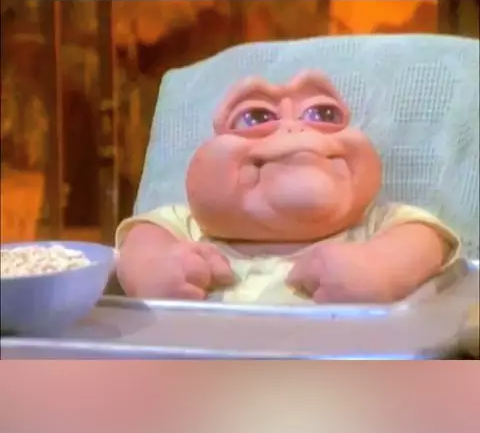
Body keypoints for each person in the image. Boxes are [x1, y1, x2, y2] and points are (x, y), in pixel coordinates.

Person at [116, 70, 460, 305]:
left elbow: (428, 242)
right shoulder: (186, 224)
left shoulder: (376, 222)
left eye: (323, 114)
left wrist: (379, 269)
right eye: (256, 118)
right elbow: (138, 242)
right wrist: (154, 269)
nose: (294, 129)